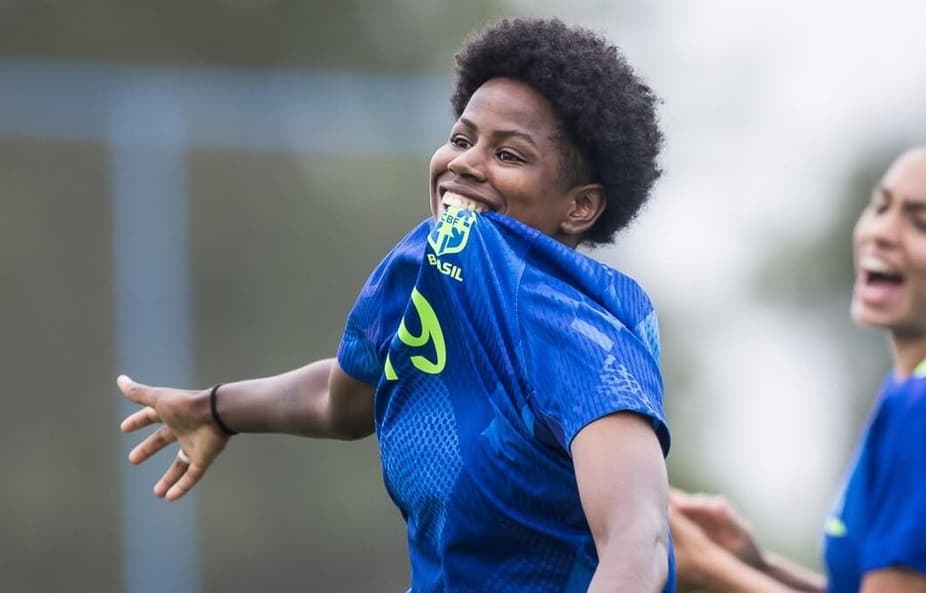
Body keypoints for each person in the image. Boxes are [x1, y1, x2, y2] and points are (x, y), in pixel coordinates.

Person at [118, 17, 674, 593]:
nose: (464, 163)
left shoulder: (585, 340)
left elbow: (638, 541)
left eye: (508, 155)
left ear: (580, 207)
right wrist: (216, 409)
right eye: (461, 139)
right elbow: (341, 397)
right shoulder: (427, 268)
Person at [668, 147, 926, 593]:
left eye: (920, 223)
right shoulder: (901, 392)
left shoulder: (918, 408)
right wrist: (756, 565)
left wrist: (710, 569)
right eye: (881, 206)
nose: (883, 232)